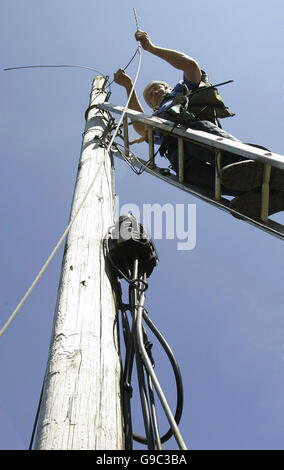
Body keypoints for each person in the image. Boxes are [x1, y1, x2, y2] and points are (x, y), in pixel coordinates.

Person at [114, 30, 284, 219]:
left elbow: (191, 66)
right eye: (150, 96)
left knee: (231, 159)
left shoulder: (181, 91)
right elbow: (140, 126)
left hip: (195, 129)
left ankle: (265, 168)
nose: (154, 93)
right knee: (210, 178)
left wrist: (150, 47)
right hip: (180, 158)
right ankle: (262, 197)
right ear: (152, 105)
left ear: (168, 88)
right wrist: (129, 86)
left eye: (157, 88)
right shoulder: (156, 121)